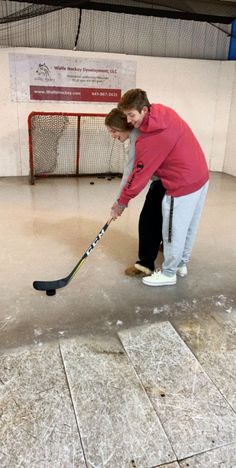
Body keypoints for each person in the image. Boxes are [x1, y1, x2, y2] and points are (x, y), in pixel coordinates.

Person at [111, 88, 209, 287]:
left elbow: (137, 176)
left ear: (145, 110)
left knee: (173, 230)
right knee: (188, 226)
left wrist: (122, 202)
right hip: (200, 177)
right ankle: (181, 263)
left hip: (181, 183)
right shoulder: (164, 111)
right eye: (126, 116)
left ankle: (169, 273)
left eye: (132, 115)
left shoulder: (151, 138)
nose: (129, 120)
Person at [105, 108, 165, 276]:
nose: (112, 135)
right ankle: (164, 245)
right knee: (161, 214)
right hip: (163, 179)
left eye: (114, 131)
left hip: (168, 180)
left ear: (124, 125)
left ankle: (145, 264)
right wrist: (121, 201)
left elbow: (131, 173)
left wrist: (120, 202)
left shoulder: (138, 137)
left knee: (149, 219)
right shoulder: (135, 135)